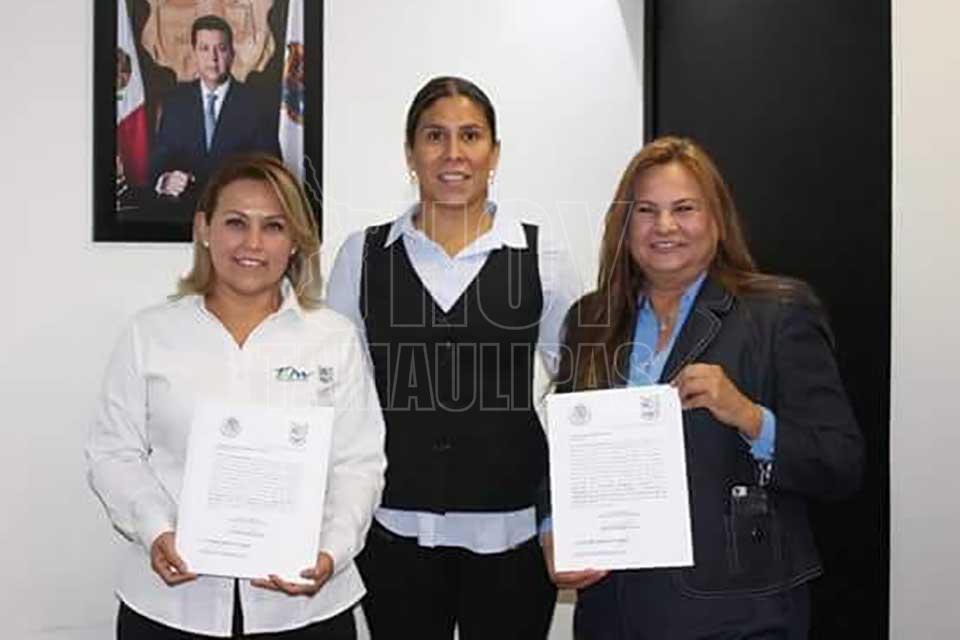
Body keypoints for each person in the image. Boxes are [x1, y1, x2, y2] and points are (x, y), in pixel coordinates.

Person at [543, 136, 864, 639]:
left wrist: (749, 417)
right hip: (613, 614)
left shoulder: (778, 314)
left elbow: (840, 464)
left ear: (717, 218)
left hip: (739, 616)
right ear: (624, 225)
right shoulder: (589, 321)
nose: (664, 226)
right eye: (646, 210)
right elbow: (561, 457)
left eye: (684, 208)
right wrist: (552, 531)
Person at [87, 154, 386, 639]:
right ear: (204, 228)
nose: (253, 243)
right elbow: (112, 452)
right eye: (235, 223)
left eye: (273, 226)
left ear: (294, 241)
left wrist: (331, 551)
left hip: (305, 612)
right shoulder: (151, 334)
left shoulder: (334, 339)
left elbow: (359, 463)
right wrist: (156, 529)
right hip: (172, 608)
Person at [325, 76, 579, 639]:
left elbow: (578, 390)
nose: (453, 153)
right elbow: (338, 395)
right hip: (394, 528)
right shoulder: (361, 255)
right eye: (434, 136)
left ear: (494, 152)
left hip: (512, 529)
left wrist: (576, 512)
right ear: (410, 152)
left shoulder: (544, 255)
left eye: (470, 135)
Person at [150, 15, 281, 202]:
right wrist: (165, 180)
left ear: (232, 54)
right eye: (204, 49)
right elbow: (158, 163)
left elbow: (269, 169)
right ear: (194, 54)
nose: (213, 58)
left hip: (237, 206)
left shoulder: (257, 104)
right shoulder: (175, 103)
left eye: (221, 48)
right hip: (183, 209)